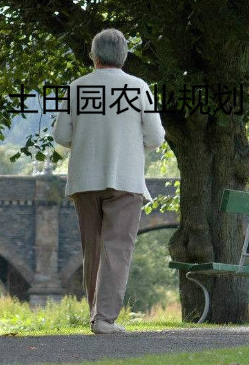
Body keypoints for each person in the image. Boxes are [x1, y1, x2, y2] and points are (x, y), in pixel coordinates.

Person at [52, 28, 165, 334]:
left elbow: (61, 136)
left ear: (94, 55)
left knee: (93, 249)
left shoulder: (77, 88)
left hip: (85, 180)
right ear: (124, 55)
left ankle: (95, 314)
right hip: (125, 179)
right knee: (117, 249)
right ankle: (104, 318)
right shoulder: (137, 88)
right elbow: (155, 137)